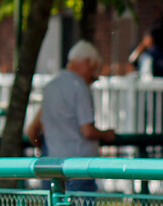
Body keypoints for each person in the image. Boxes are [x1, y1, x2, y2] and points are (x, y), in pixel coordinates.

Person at [26, 40, 115, 196]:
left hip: (52, 164)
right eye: (93, 68)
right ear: (87, 62)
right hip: (79, 165)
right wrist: (106, 134)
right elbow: (87, 131)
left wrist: (42, 147)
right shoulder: (79, 87)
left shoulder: (50, 87)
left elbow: (32, 130)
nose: (93, 74)